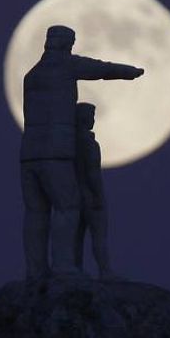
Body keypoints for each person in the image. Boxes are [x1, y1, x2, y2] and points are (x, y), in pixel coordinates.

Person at [20, 25, 143, 279]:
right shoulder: (65, 66)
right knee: (68, 206)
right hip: (56, 152)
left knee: (36, 212)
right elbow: (101, 69)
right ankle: (64, 267)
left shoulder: (31, 75)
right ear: (67, 43)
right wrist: (130, 72)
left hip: (29, 153)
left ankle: (36, 269)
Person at [73, 103, 115, 279]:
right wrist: (98, 196)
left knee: (76, 237)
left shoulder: (69, 144)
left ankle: (76, 269)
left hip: (75, 196)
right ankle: (105, 271)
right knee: (98, 235)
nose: (93, 120)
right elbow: (92, 173)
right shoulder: (89, 144)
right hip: (89, 195)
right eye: (90, 116)